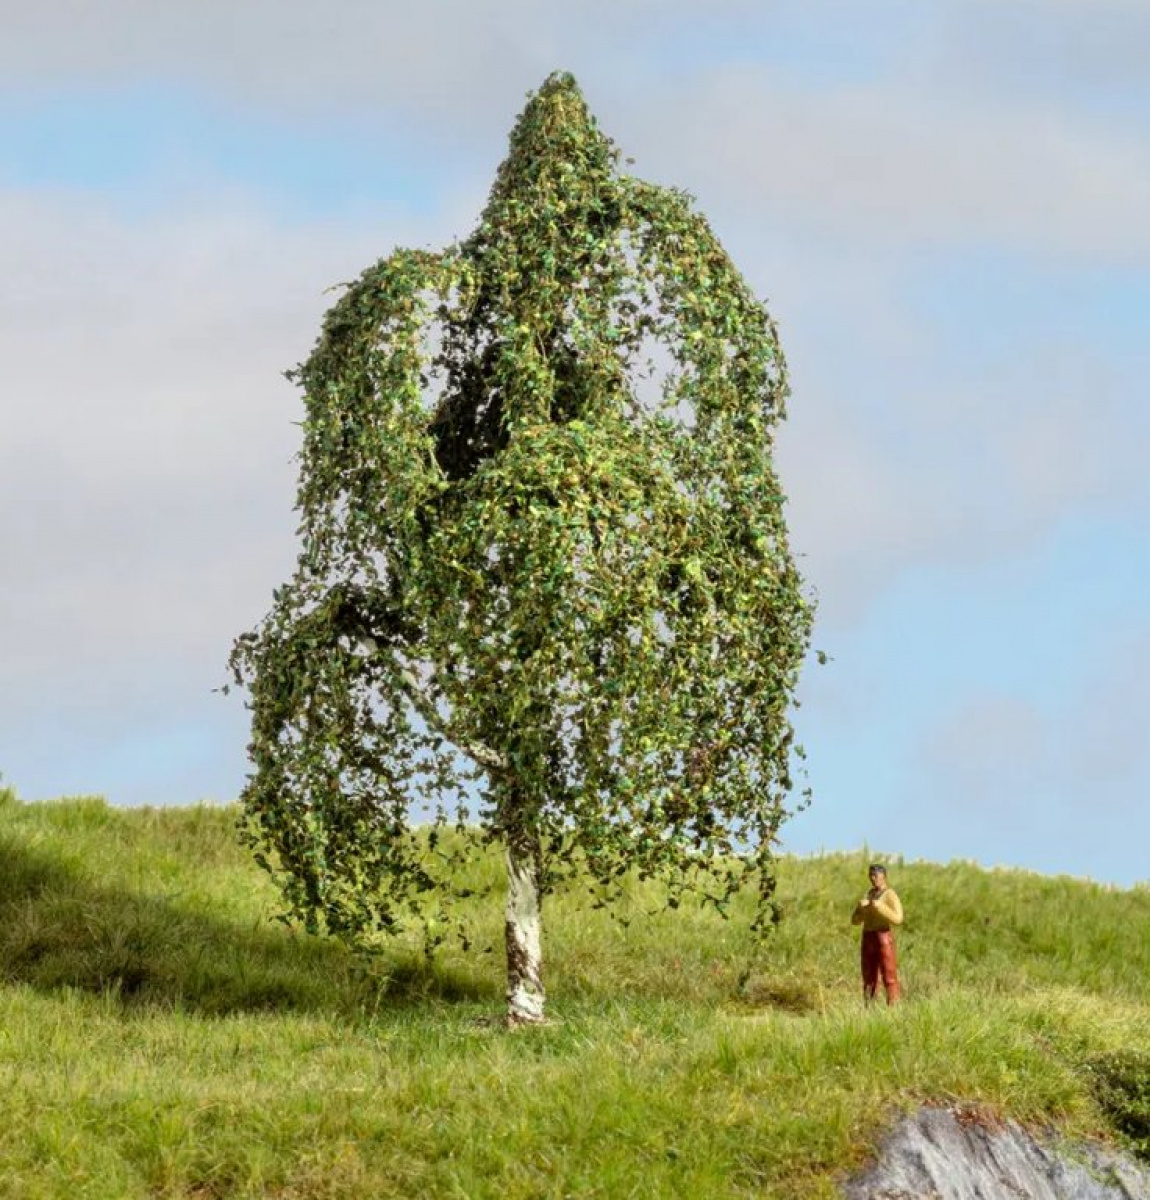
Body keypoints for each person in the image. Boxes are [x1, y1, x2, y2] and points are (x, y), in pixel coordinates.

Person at [851, 863, 903, 1005]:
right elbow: (855, 921)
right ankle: (870, 1007)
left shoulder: (889, 894)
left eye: (875, 875)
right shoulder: (869, 894)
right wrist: (860, 909)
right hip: (868, 937)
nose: (873, 878)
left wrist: (881, 908)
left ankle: (894, 1007)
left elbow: (898, 918)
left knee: (889, 974)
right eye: (870, 875)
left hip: (883, 937)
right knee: (869, 976)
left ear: (884, 876)